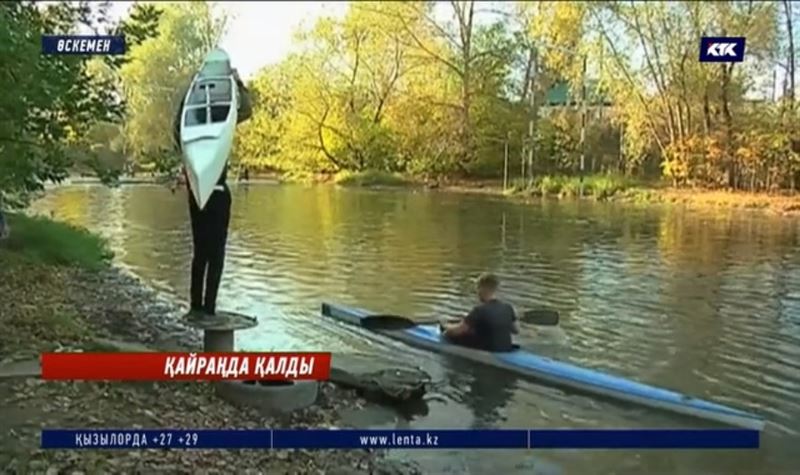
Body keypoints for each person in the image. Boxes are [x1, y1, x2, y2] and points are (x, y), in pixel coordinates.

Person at [172, 61, 252, 317]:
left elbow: (177, 128)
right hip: (217, 192)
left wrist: (191, 91)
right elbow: (247, 111)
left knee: (200, 252)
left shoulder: (193, 130)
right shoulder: (222, 125)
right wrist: (238, 83)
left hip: (197, 193)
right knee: (215, 254)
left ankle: (196, 307)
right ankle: (208, 309)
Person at [441, 272, 519, 352]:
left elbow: (458, 330)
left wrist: (445, 327)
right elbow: (515, 331)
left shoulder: (479, 310)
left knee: (447, 332)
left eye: (477, 288)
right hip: (506, 348)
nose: (477, 292)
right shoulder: (508, 307)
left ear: (482, 288)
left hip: (488, 350)